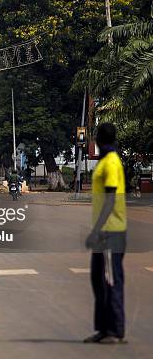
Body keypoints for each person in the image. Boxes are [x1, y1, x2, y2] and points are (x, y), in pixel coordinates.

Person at [83, 123, 127, 344]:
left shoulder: (111, 162)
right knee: (98, 279)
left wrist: (97, 230)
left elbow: (110, 199)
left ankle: (114, 330)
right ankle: (102, 328)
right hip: (104, 231)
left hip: (111, 231)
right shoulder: (104, 161)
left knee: (111, 280)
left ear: (100, 138)